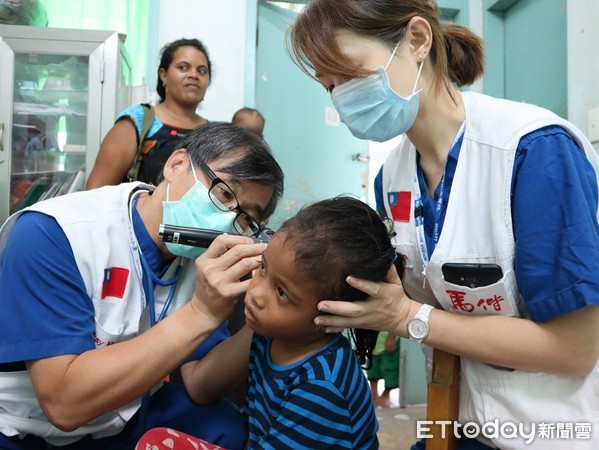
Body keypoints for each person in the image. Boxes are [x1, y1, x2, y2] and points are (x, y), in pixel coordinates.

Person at [288, 1, 599, 449]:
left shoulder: (532, 151)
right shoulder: (392, 178)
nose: (341, 99)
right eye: (329, 86)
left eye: (349, 75)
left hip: (556, 430)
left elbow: (575, 349)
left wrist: (406, 317)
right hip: (458, 422)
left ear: (417, 40)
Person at [0, 122, 284, 450]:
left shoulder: (203, 260)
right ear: (176, 164)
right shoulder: (55, 233)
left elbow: (199, 384)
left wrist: (267, 316)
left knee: (226, 425)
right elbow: (63, 404)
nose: (226, 222)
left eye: (245, 218)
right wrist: (201, 313)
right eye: (223, 193)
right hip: (30, 427)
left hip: (125, 413)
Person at [137, 196, 400, 450]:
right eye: (263, 268)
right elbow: (207, 391)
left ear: (339, 313)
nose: (256, 293)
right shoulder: (272, 335)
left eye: (283, 293)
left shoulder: (320, 386)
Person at [86, 38, 213, 188]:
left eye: (202, 71)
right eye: (183, 67)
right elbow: (95, 192)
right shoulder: (139, 121)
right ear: (163, 75)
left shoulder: (212, 134)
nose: (194, 75)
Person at [368, 331, 400, 408]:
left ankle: (386, 394)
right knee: (372, 365)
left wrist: (391, 337)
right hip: (372, 335)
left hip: (389, 335)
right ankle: (374, 392)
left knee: (390, 367)